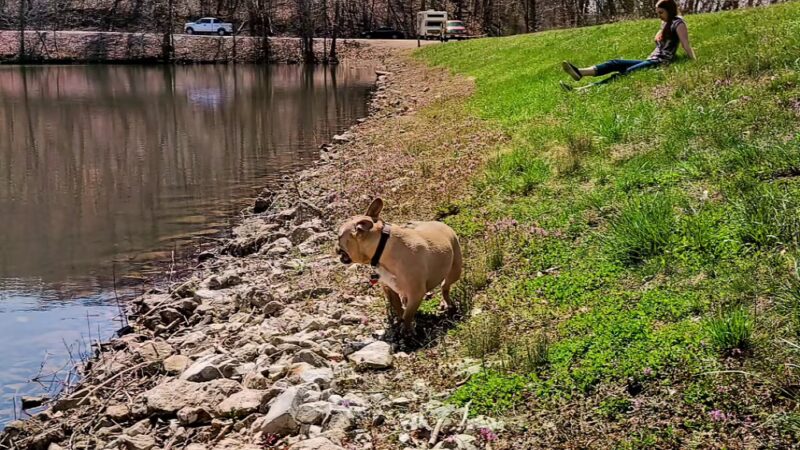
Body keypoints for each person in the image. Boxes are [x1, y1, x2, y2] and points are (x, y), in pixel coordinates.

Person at [560, 0, 696, 91]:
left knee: (625, 73)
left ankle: (583, 90)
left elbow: (685, 45)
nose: (659, 16)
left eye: (661, 12)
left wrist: (694, 62)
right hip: (651, 60)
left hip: (660, 62)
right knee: (615, 63)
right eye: (657, 13)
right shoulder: (665, 24)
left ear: (670, 10)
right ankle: (580, 72)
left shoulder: (679, 23)